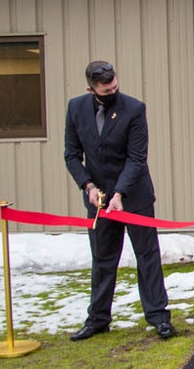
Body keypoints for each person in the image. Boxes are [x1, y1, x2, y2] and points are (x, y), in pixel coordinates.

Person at [64, 60, 175, 341]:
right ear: (91, 89)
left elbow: (137, 157)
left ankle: (159, 316)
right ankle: (98, 318)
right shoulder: (75, 108)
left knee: (147, 255)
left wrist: (120, 193)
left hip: (134, 196)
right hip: (98, 198)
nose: (112, 91)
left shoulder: (134, 109)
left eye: (114, 86)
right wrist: (88, 186)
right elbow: (71, 154)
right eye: (105, 89)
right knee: (102, 258)